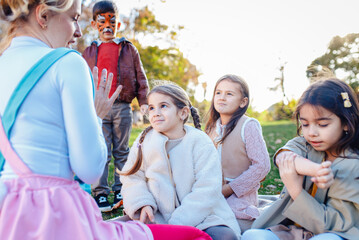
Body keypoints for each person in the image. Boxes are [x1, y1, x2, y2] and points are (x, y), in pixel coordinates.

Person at [0, 0, 212, 239]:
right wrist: (96, 115)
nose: (78, 31)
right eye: (74, 18)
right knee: (195, 236)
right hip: (55, 213)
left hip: (8, 211)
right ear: (44, 15)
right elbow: (89, 170)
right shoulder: (67, 62)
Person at [120, 83, 241, 240]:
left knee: (225, 237)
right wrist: (143, 203)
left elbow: (207, 188)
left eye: (163, 106)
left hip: (203, 218)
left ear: (183, 113)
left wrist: (177, 224)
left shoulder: (199, 141)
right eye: (151, 108)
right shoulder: (144, 140)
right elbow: (132, 177)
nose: (155, 113)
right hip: (158, 217)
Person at [242, 77, 359, 240]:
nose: (312, 132)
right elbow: (284, 157)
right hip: (293, 230)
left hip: (334, 233)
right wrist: (317, 170)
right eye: (305, 124)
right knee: (252, 236)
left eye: (322, 124)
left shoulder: (352, 165)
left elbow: (330, 225)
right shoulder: (305, 143)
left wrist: (295, 190)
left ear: (346, 123)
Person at [82, 0, 149, 212]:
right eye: (102, 21)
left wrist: (144, 101)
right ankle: (100, 193)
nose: (107, 26)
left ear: (118, 24)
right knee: (102, 150)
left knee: (122, 150)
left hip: (122, 106)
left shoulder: (128, 49)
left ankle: (122, 188)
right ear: (94, 24)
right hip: (98, 108)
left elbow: (140, 76)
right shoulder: (89, 52)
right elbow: (82, 79)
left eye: (112, 21)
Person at [205, 74, 271, 231]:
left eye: (229, 94)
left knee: (229, 223)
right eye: (218, 93)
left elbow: (262, 166)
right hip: (213, 192)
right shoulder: (211, 128)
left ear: (243, 102)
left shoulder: (248, 125)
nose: (222, 98)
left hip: (239, 196)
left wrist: (229, 189)